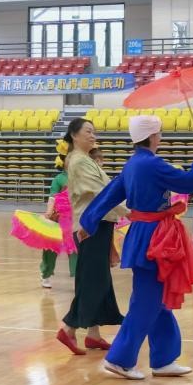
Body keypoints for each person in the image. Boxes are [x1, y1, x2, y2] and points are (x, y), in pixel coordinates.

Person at [79, 116, 193, 380]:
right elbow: (191, 182)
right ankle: (120, 359)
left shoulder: (133, 165)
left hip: (144, 235)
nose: (160, 138)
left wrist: (88, 222)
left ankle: (163, 359)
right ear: (152, 137)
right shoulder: (152, 164)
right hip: (155, 238)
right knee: (147, 301)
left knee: (157, 300)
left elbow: (109, 194)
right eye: (159, 134)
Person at [60, 117, 125, 356]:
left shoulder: (86, 160)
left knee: (98, 279)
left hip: (101, 224)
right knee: (93, 281)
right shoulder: (78, 161)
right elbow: (103, 193)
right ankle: (68, 327)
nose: (92, 135)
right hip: (90, 226)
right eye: (88, 131)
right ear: (74, 135)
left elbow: (108, 190)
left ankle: (93, 334)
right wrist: (130, 210)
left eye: (94, 131)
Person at [40, 139, 77, 289]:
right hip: (57, 219)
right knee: (51, 248)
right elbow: (52, 197)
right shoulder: (59, 179)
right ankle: (46, 274)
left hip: (74, 220)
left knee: (74, 249)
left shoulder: (80, 177)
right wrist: (49, 211)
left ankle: (77, 276)